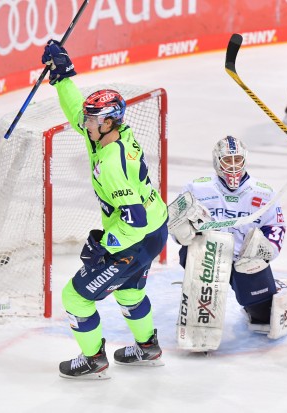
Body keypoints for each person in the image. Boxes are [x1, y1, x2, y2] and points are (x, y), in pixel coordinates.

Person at [41, 40, 169, 379]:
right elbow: (74, 114)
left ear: (109, 123)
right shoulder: (110, 134)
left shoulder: (113, 164)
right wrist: (62, 77)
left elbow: (134, 222)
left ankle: (94, 360)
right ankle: (148, 348)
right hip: (156, 229)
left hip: (136, 237)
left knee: (75, 298)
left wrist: (103, 247)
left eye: (93, 119)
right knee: (129, 293)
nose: (86, 122)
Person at [169, 136, 287, 341]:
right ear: (217, 161)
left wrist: (266, 250)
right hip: (208, 257)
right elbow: (175, 224)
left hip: (245, 260)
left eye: (238, 159)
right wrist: (182, 233)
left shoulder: (263, 192)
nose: (234, 166)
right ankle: (200, 318)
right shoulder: (196, 189)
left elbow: (276, 226)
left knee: (262, 320)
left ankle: (276, 287)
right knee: (192, 255)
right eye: (228, 160)